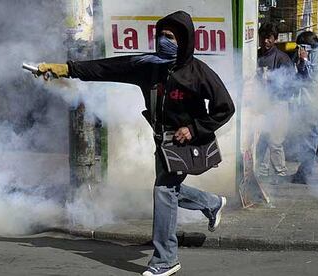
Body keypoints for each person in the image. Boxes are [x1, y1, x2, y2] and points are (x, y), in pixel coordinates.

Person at [35, 11, 235, 276]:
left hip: (183, 143)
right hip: (161, 140)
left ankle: (165, 259)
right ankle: (211, 203)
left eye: (172, 37)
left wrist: (194, 129)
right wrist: (66, 69)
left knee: (163, 192)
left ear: (185, 41)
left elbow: (226, 108)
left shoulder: (198, 72)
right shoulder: (147, 66)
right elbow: (104, 68)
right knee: (169, 190)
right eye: (162, 35)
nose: (165, 41)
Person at [256, 22, 294, 183]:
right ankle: (262, 172)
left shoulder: (282, 58)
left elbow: (290, 85)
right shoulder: (256, 55)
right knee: (261, 139)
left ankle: (280, 173)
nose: (265, 41)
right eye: (263, 37)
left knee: (275, 141)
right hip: (261, 104)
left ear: (275, 39)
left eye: (269, 38)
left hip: (278, 104)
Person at [290, 31, 318, 184]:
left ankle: (306, 173)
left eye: (301, 47)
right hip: (302, 103)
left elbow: (313, 79)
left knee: (310, 139)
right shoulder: (301, 57)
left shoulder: (317, 58)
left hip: (312, 104)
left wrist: (305, 60)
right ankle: (303, 171)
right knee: (303, 139)